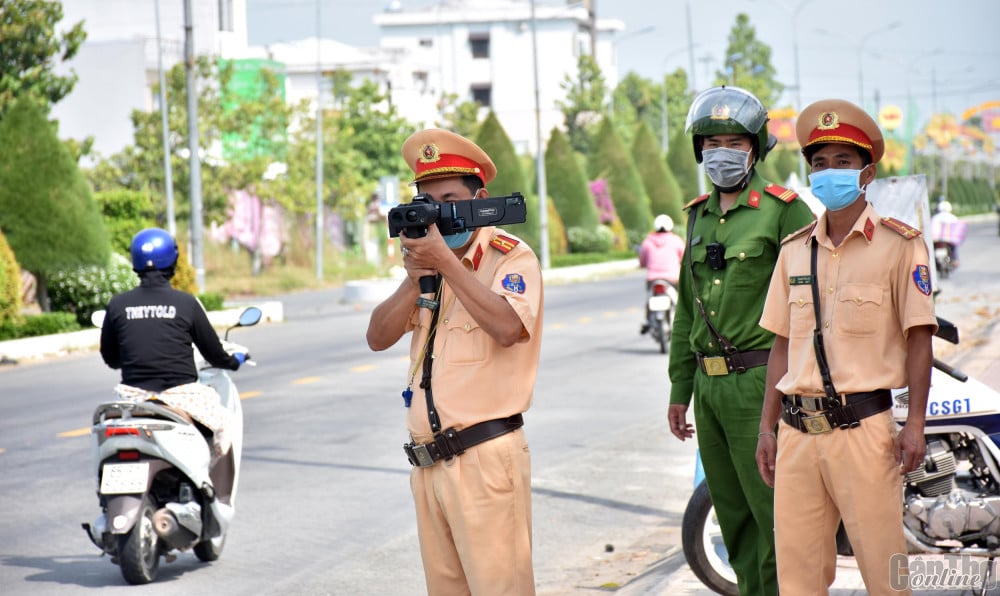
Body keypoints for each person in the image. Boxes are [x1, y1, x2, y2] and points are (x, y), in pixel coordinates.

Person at [755, 99, 937, 595]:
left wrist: (914, 425)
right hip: (796, 434)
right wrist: (766, 427)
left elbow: (920, 337)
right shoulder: (794, 250)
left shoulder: (901, 246)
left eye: (842, 162)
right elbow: (780, 347)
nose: (828, 172)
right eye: (818, 164)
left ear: (867, 172)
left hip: (865, 432)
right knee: (798, 578)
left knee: (884, 573)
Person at [365, 129, 543, 595]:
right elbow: (377, 337)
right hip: (428, 467)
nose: (437, 213)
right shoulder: (426, 264)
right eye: (426, 202)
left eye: (447, 200)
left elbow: (507, 328)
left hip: (484, 460)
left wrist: (446, 264)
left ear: (478, 200)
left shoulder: (511, 258)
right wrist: (415, 276)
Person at [667, 85, 815, 596]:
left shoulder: (784, 211)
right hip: (709, 393)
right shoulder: (695, 217)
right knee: (734, 520)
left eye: (734, 141)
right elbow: (688, 309)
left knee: (775, 518)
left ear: (755, 148)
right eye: (711, 143)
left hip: (761, 384)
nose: (721, 152)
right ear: (699, 151)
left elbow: (813, 306)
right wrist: (678, 392)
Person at [100, 228, 246, 467]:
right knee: (223, 424)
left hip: (132, 398)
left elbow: (111, 358)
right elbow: (214, 354)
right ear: (173, 260)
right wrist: (234, 361)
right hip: (182, 397)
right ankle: (210, 489)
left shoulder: (117, 305)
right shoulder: (186, 303)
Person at [638, 213, 685, 334]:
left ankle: (648, 320)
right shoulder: (676, 240)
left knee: (649, 299)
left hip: (653, 278)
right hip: (673, 278)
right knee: (681, 301)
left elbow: (642, 260)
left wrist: (643, 264)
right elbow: (684, 257)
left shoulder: (648, 241)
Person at [930, 199, 964, 267]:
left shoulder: (935, 217)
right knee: (954, 247)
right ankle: (955, 260)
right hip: (948, 238)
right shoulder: (953, 218)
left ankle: (930, 261)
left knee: (931, 249)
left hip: (936, 239)